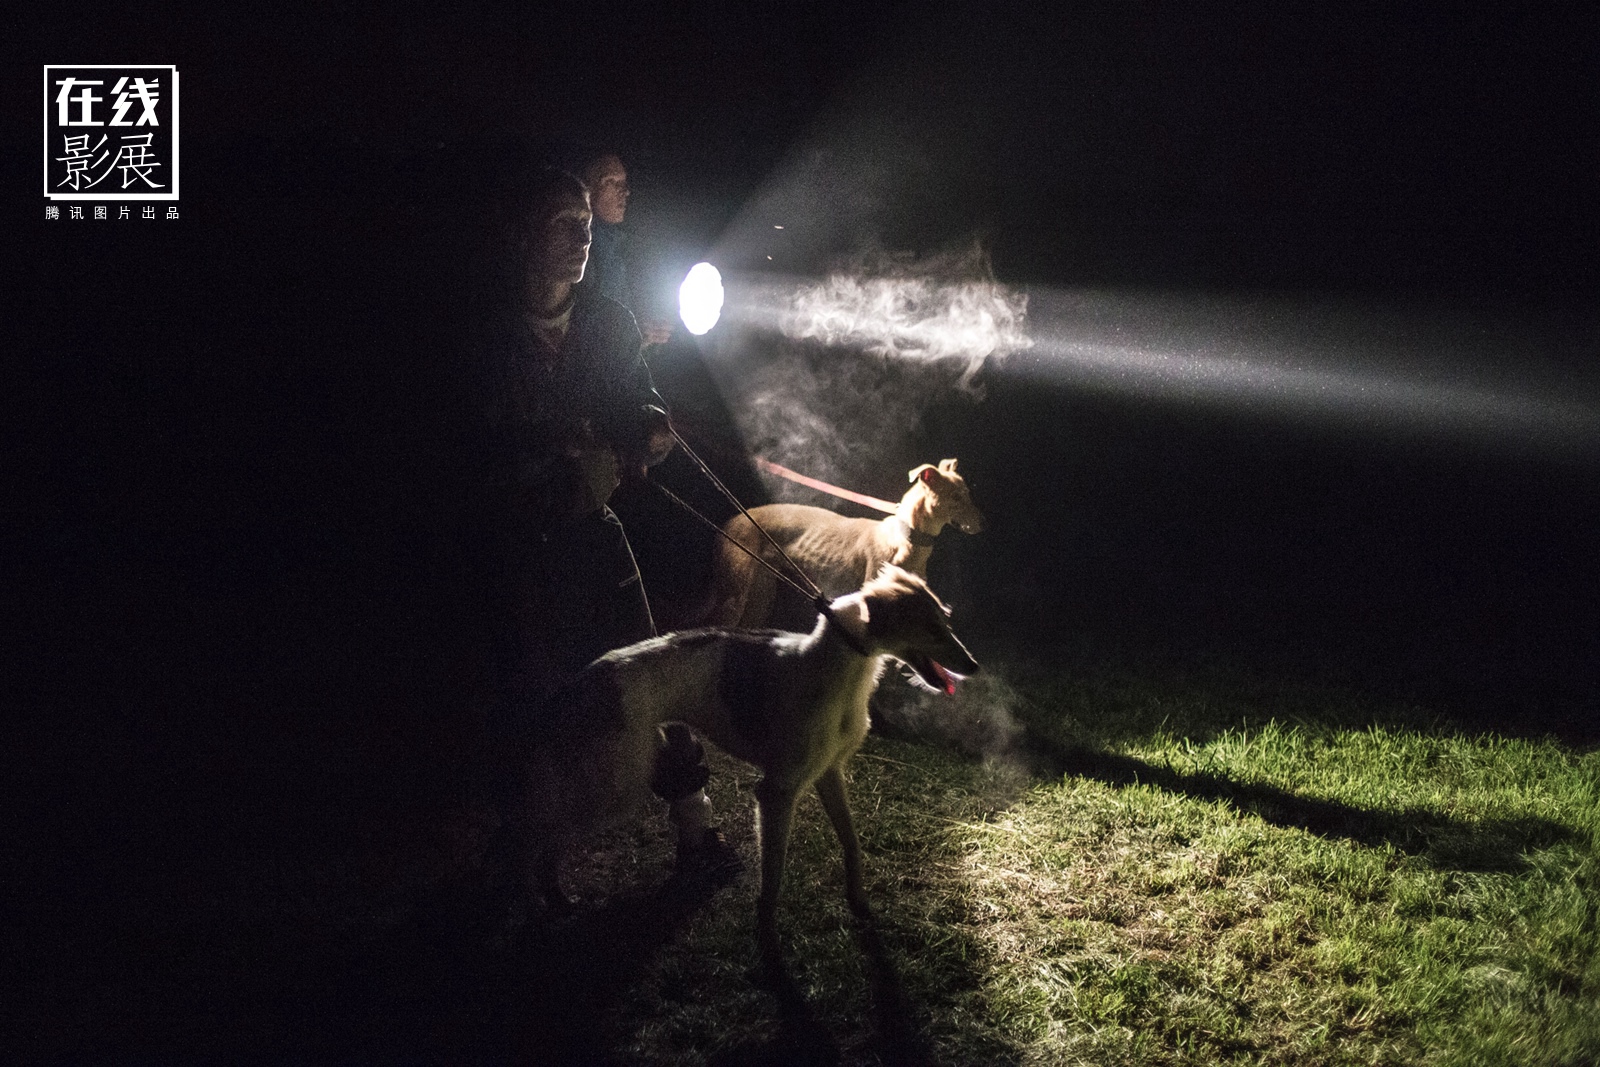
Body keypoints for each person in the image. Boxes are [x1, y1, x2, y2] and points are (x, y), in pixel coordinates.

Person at [478, 166, 729, 873]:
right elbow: (472, 439)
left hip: (593, 529)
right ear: (522, 234)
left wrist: (648, 426)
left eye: (586, 223)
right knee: (531, 691)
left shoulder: (607, 323)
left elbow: (635, 400)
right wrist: (557, 448)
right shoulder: (489, 330)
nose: (581, 237)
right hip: (517, 542)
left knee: (646, 666)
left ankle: (695, 824)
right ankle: (532, 847)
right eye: (563, 223)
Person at [579, 153, 673, 346]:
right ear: (587, 189)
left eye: (624, 182)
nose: (625, 191)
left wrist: (649, 332)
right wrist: (633, 335)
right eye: (611, 182)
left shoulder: (625, 244)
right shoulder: (578, 247)